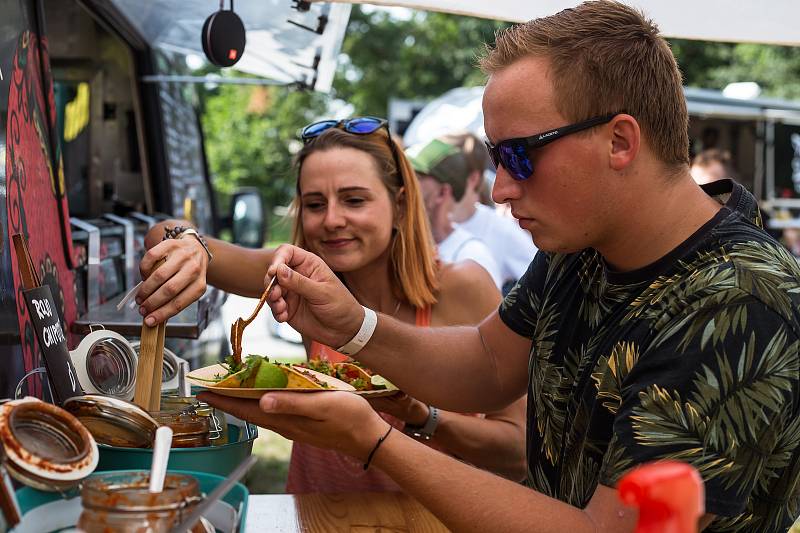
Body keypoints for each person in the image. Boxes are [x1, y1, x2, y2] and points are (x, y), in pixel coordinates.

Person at [145, 3, 800, 532]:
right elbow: (487, 363)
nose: (498, 190)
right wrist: (353, 326)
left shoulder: (740, 304)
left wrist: (375, 440)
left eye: (519, 156)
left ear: (620, 140)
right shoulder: (584, 248)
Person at [138, 116, 527, 492]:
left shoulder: (464, 285)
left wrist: (421, 416)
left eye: (354, 200)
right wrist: (188, 243)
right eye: (314, 204)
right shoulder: (304, 282)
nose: (332, 220)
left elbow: (517, 451)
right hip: (318, 519)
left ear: (402, 204)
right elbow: (162, 234)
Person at [420, 132, 539, 292]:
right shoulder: (426, 224)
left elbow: (544, 285)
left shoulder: (501, 230)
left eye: (449, 172)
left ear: (473, 178)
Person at [407, 138, 503, 288]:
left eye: (415, 177)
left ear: (442, 193)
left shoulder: (473, 256)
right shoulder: (403, 246)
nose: (403, 184)